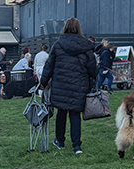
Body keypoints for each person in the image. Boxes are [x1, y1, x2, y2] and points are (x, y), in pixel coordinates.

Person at [40, 18, 97, 155]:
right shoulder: (86, 46)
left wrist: (43, 82)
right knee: (75, 114)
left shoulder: (58, 44)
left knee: (61, 113)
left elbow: (49, 65)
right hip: (79, 84)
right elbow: (92, 69)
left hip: (60, 84)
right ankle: (76, 145)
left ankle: (60, 141)